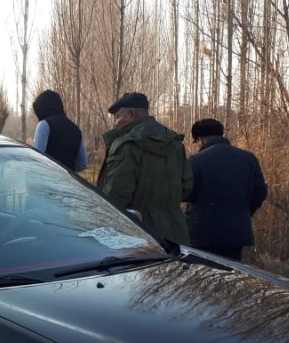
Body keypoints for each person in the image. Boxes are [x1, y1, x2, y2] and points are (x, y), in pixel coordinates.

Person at [96, 91, 191, 245]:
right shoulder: (175, 143)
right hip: (176, 232)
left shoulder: (127, 145)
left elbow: (116, 195)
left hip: (138, 235)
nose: (115, 123)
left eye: (117, 117)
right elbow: (187, 187)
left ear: (131, 114)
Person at [185, 118, 267, 261]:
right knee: (230, 276)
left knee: (202, 277)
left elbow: (186, 193)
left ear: (200, 139)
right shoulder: (248, 159)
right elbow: (259, 193)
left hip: (202, 233)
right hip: (236, 232)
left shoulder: (196, 160)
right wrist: (244, 213)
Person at [31, 89, 87, 172]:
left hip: (47, 181)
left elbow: (37, 159)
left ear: (41, 108)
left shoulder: (44, 125)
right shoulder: (75, 129)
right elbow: (83, 164)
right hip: (69, 182)